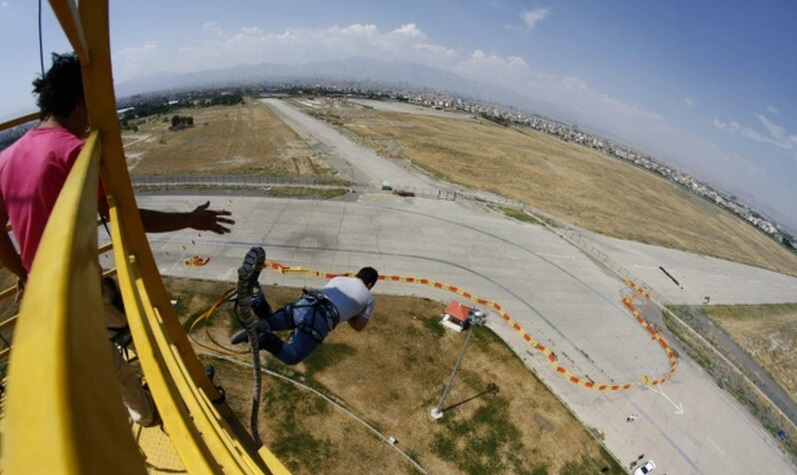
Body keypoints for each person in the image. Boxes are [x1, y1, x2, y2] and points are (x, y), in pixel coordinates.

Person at [0, 52, 235, 427]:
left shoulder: (7, 157)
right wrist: (191, 219)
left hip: (48, 286)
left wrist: (23, 271)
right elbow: (125, 220)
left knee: (119, 310)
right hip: (73, 291)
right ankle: (148, 413)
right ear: (81, 102)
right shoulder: (74, 152)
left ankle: (153, 362)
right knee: (111, 357)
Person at [231, 247, 378, 365]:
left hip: (307, 303)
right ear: (370, 284)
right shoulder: (369, 298)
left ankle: (257, 298)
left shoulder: (339, 278)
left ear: (357, 275)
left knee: (270, 321)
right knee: (293, 356)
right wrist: (353, 312)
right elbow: (359, 326)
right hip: (321, 318)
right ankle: (265, 339)